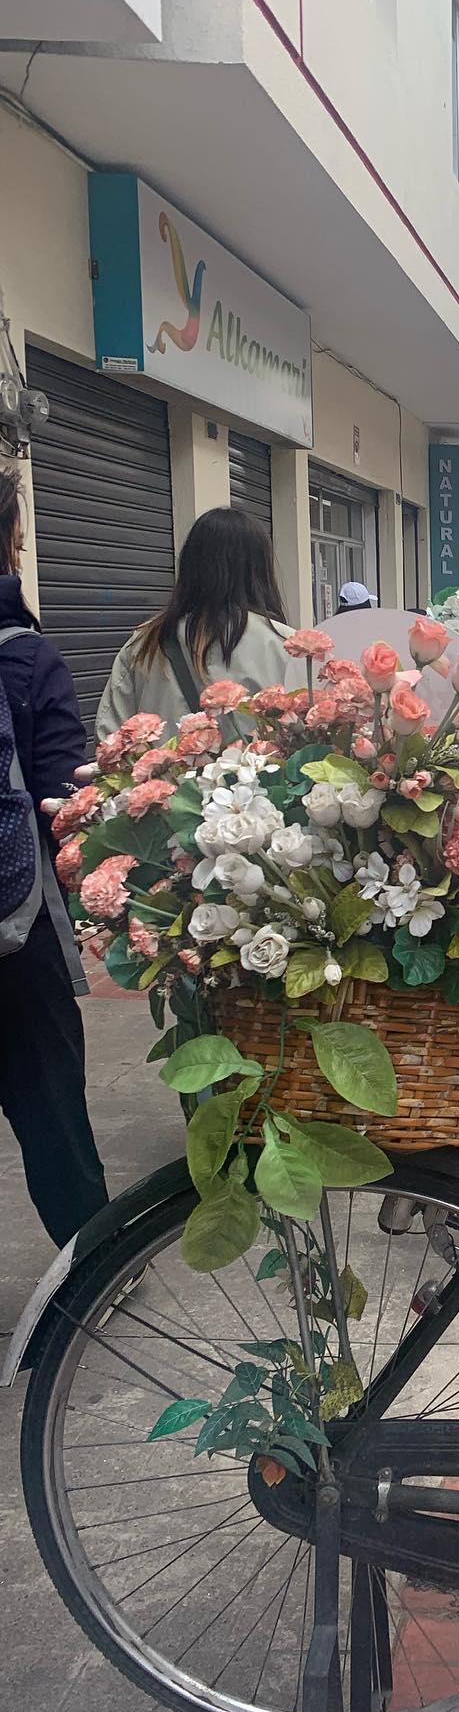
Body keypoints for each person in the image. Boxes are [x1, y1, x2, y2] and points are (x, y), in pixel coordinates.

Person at [0, 466, 108, 1245]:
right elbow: (63, 799)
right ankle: (95, 1263)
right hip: (15, 938)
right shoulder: (28, 660)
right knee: (49, 1107)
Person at [96, 507, 291, 736]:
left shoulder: (145, 644)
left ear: (189, 564)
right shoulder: (285, 646)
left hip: (164, 772)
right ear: (260, 569)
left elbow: (111, 737)